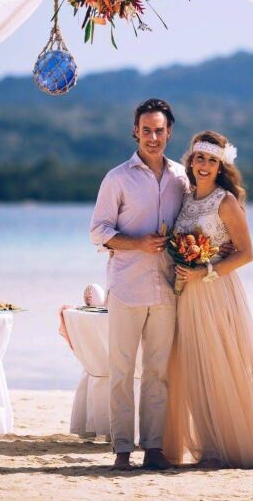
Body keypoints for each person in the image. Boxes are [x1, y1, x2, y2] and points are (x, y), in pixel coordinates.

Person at [163, 131, 253, 469]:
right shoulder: (186, 199)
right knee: (192, 368)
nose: (204, 165)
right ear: (190, 161)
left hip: (215, 292)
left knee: (219, 367)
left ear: (221, 166)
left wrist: (204, 271)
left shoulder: (226, 202)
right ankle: (205, 445)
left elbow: (246, 254)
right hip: (187, 294)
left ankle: (226, 447)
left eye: (212, 160)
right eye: (200, 158)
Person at [89, 98, 188, 471]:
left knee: (158, 374)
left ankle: (155, 448)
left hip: (167, 289)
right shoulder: (117, 178)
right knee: (121, 371)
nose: (153, 137)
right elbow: (98, 232)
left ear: (169, 132)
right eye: (146, 130)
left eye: (159, 130)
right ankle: (121, 450)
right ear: (135, 131)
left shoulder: (181, 178)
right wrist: (138, 243)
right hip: (127, 288)